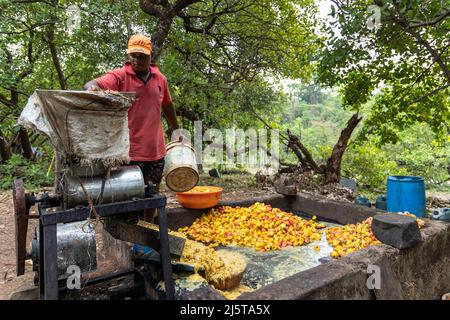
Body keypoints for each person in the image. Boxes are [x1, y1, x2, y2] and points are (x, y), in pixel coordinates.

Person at [84, 34, 182, 222]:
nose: (137, 60)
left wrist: (175, 129)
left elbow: (168, 105)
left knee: (152, 194)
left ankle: (148, 229)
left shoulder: (160, 79)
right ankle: (127, 235)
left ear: (150, 57)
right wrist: (92, 89)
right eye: (133, 56)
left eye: (142, 56)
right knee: (127, 196)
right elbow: (93, 83)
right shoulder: (120, 76)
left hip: (155, 151)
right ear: (129, 56)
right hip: (129, 152)